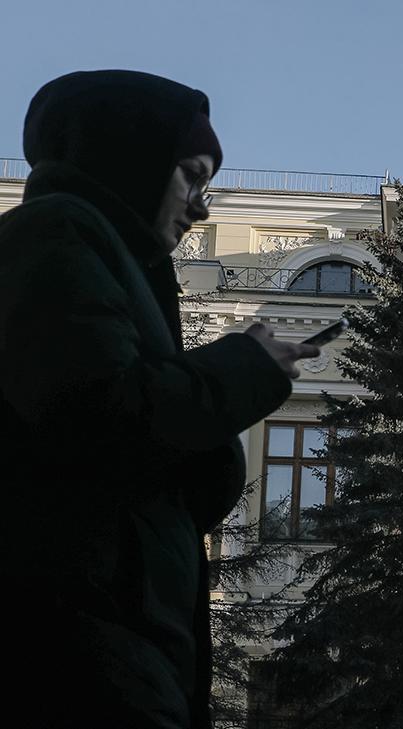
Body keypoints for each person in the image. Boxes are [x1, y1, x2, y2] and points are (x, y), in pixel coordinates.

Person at [0, 70, 319, 728]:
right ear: (133, 159)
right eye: (192, 177)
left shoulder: (110, 259)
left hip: (115, 641)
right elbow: (98, 417)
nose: (201, 209)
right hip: (75, 652)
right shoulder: (57, 235)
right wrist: (242, 368)